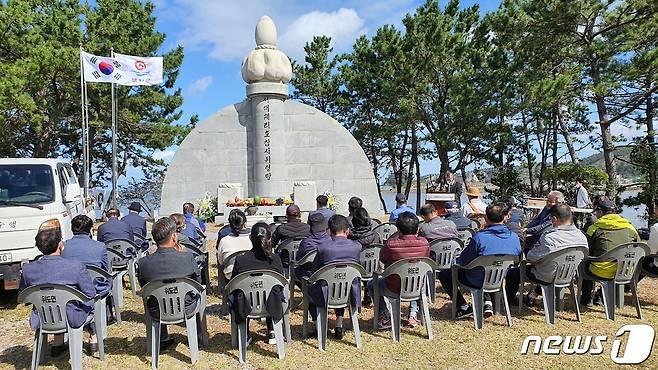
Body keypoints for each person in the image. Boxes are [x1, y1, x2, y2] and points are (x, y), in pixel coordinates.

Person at [20, 219, 98, 356]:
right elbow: (90, 293)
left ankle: (57, 343)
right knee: (90, 301)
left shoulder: (27, 270)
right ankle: (93, 337)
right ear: (60, 245)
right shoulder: (75, 266)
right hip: (71, 317)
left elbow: (24, 297)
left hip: (43, 318)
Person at [438, 202, 522, 319]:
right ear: (505, 218)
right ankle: (488, 302)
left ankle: (463, 306)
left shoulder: (479, 238)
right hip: (501, 276)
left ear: (486, 218)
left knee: (445, 275)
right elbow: (517, 259)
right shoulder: (514, 237)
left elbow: (464, 261)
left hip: (477, 280)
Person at [137, 217, 202, 351]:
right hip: (186, 307)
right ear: (174, 237)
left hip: (157, 309)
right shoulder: (187, 257)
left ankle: (161, 339)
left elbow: (144, 287)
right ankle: (198, 337)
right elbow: (198, 282)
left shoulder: (143, 263)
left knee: (156, 296)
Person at [505, 204, 587, 304]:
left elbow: (531, 257)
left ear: (554, 219)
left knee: (512, 273)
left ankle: (510, 300)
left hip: (546, 275)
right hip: (568, 275)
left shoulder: (550, 237)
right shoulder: (582, 237)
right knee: (549, 266)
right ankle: (535, 295)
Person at [369, 212, 430, 329]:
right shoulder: (425, 243)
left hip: (393, 287)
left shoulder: (391, 244)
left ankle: (384, 315)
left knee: (372, 285)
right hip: (417, 286)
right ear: (418, 229)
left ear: (398, 229)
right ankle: (413, 314)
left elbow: (382, 258)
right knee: (414, 276)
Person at [230, 223, 285, 345]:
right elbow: (282, 282)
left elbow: (233, 285)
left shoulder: (241, 260)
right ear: (269, 239)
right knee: (273, 289)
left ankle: (246, 333)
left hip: (246, 305)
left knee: (242, 292)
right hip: (272, 303)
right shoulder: (275, 259)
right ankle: (272, 331)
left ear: (250, 238)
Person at [308, 215, 361, 340]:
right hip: (349, 292)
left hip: (326, 293)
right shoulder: (357, 247)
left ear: (329, 232)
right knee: (342, 283)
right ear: (347, 231)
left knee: (310, 289)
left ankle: (318, 326)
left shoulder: (323, 248)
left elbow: (315, 271)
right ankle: (339, 323)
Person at [580, 199, 639, 306]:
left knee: (585, 263)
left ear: (600, 212)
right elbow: (638, 247)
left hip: (601, 271)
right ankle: (604, 297)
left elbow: (586, 250)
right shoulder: (631, 227)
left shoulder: (594, 228)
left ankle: (586, 299)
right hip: (625, 271)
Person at [62, 215, 111, 297]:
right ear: (91, 230)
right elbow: (105, 270)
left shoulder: (63, 246)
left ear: (72, 229)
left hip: (71, 290)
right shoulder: (100, 246)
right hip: (96, 288)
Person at [217, 210, 252, 280]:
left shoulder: (224, 241)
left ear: (230, 225)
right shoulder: (253, 239)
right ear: (245, 224)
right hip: (253, 274)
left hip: (232, 279)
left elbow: (221, 262)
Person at [295, 213, 331, 281]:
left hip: (310, 275)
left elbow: (298, 259)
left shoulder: (306, 243)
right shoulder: (331, 240)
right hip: (327, 274)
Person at [640, 206, 658, 280]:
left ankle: (626, 287)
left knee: (640, 261)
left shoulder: (656, 227)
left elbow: (651, 251)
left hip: (656, 268)